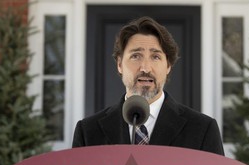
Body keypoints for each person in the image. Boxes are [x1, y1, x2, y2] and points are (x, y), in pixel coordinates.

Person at [72, 16, 224, 156]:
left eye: (155, 57)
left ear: (168, 66)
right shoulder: (87, 132)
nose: (145, 68)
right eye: (136, 56)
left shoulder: (203, 129)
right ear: (119, 64)